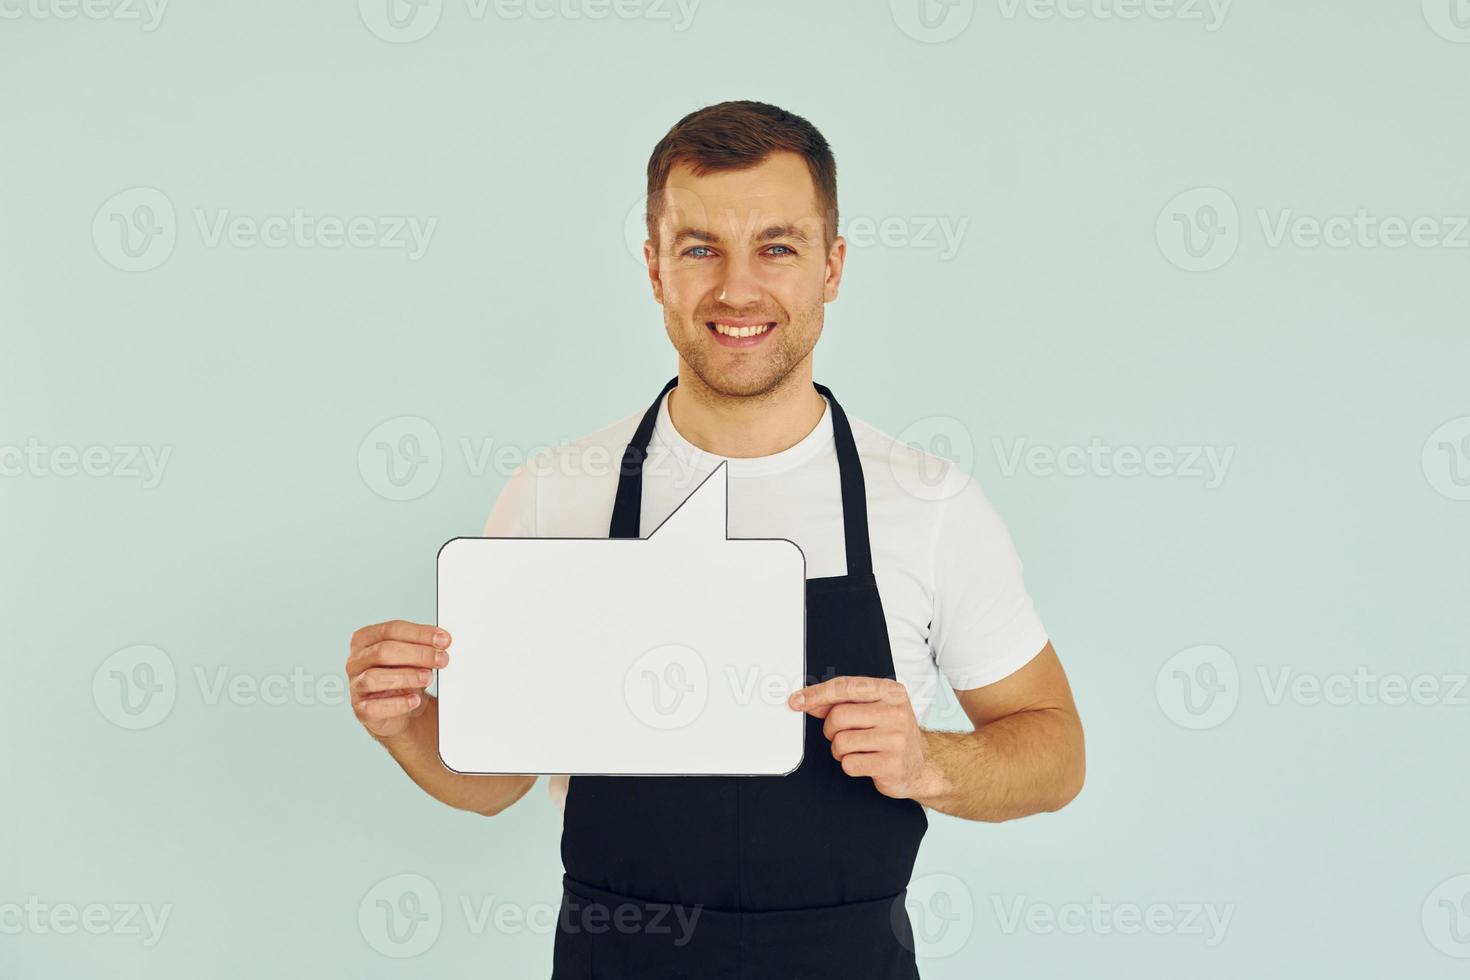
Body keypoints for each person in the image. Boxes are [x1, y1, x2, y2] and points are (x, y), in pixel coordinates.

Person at [344, 99, 1085, 978]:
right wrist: (403, 722)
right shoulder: (556, 493)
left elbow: (1056, 753)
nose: (738, 289)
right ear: (655, 267)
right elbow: (493, 782)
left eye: (777, 246)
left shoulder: (929, 505)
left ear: (831, 268)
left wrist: (931, 762)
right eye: (700, 248)